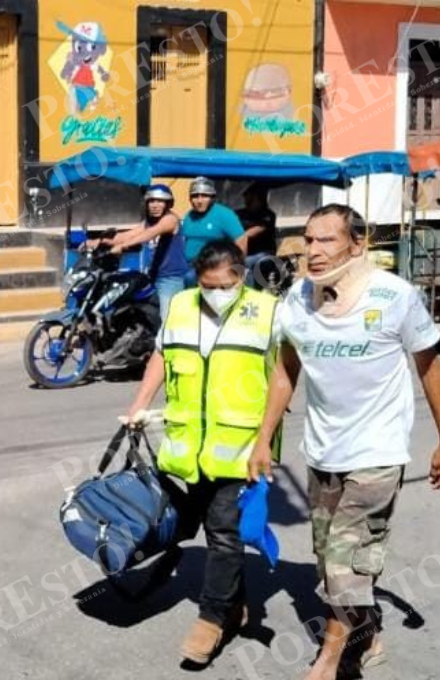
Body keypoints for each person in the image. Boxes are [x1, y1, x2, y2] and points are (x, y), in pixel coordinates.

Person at [249, 204, 440, 680]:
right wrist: (262, 438)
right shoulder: (296, 300)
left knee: (343, 561)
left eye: (327, 240)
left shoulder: (394, 296)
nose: (313, 251)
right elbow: (285, 370)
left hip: (377, 452)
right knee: (328, 559)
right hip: (321, 452)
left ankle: (329, 661)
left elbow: (430, 367)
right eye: (309, 240)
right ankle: (366, 629)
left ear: (358, 244)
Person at [124, 240, 282, 667]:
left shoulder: (268, 312)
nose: (215, 293)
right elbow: (161, 353)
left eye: (224, 285)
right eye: (207, 285)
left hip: (243, 448)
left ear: (241, 275)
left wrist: (266, 440)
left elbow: (285, 377)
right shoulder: (180, 305)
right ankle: (235, 606)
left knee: (226, 531)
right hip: (189, 447)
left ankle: (211, 618)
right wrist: (139, 402)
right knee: (212, 531)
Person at [100, 184, 188, 320]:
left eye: (160, 201)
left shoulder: (170, 219)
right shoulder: (149, 222)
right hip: (152, 277)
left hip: (170, 279)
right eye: (151, 201)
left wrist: (123, 246)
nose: (155, 205)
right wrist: (97, 242)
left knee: (168, 321)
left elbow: (150, 234)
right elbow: (129, 235)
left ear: (168, 203)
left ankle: (168, 341)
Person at [180, 177, 247, 286]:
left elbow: (241, 239)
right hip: (188, 266)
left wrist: (236, 269)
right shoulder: (189, 216)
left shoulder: (224, 214)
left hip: (213, 267)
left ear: (212, 198)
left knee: (190, 278)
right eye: (195, 196)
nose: (199, 200)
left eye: (204, 196)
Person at [236, 184, 281, 290]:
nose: (247, 201)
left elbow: (252, 232)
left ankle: (249, 295)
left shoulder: (268, 215)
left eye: (251, 198)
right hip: (243, 252)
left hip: (264, 253)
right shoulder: (240, 214)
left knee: (246, 262)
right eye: (246, 198)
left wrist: (237, 235)